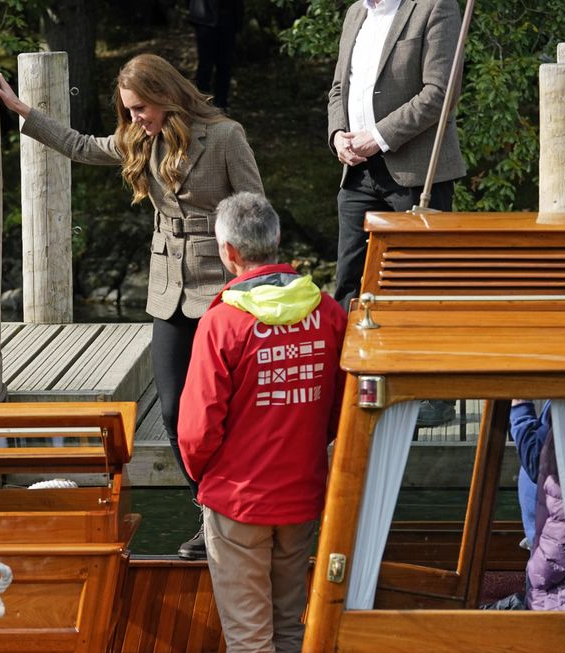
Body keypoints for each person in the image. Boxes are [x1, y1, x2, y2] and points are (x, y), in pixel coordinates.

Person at [0, 53, 264, 560]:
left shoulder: (225, 135)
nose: (134, 118)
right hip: (167, 291)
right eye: (129, 110)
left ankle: (244, 509)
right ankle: (210, 512)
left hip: (224, 290)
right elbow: (80, 145)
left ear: (165, 96)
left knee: (223, 411)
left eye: (140, 108)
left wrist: (255, 282)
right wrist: (19, 108)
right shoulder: (138, 138)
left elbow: (252, 211)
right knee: (178, 410)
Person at [177, 192, 346, 652]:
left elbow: (196, 431)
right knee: (291, 627)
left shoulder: (222, 324)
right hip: (302, 495)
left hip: (238, 499)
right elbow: (338, 410)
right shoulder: (329, 314)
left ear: (229, 253)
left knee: (250, 639)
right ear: (275, 241)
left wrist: (204, 477)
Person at [328, 0, 466, 428]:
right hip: (357, 173)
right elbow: (338, 88)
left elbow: (440, 93)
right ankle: (347, 382)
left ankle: (435, 395)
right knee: (349, 281)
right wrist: (337, 135)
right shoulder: (355, 12)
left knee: (421, 285)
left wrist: (377, 137)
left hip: (416, 173)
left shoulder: (436, 7)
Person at [510, 399, 565, 611]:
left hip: (550, 557)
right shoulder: (563, 401)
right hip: (545, 543)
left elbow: (536, 461)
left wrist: (520, 408)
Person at [188, 0, 244, 111]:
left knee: (224, 65)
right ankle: (201, 104)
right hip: (206, 21)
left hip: (227, 20)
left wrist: (238, 22)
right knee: (205, 65)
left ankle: (221, 104)